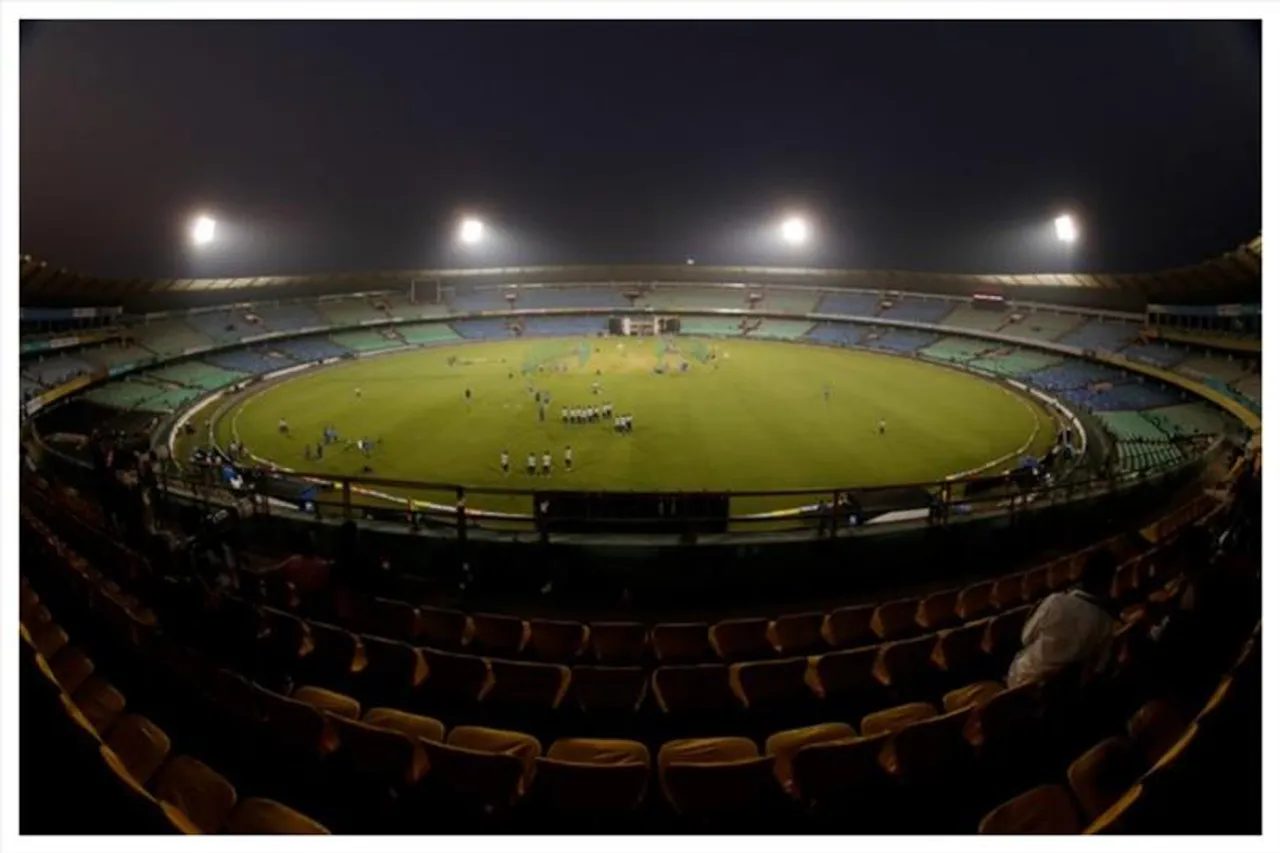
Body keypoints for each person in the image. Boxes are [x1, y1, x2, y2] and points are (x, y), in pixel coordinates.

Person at [1006, 551, 1119, 689]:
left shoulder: (1055, 602)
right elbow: (1100, 666)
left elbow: (1025, 638)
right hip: (1066, 692)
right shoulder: (1105, 622)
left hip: (1025, 681)